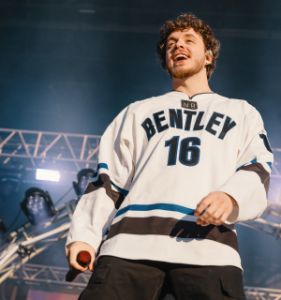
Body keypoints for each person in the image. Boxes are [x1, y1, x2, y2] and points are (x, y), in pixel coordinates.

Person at [65, 13, 273, 300]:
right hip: (128, 248)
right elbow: (108, 179)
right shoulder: (137, 111)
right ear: (165, 60)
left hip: (210, 249)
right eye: (171, 44)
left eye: (189, 40)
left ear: (208, 57)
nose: (178, 46)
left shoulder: (241, 112)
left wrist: (230, 196)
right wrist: (84, 236)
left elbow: (258, 167)